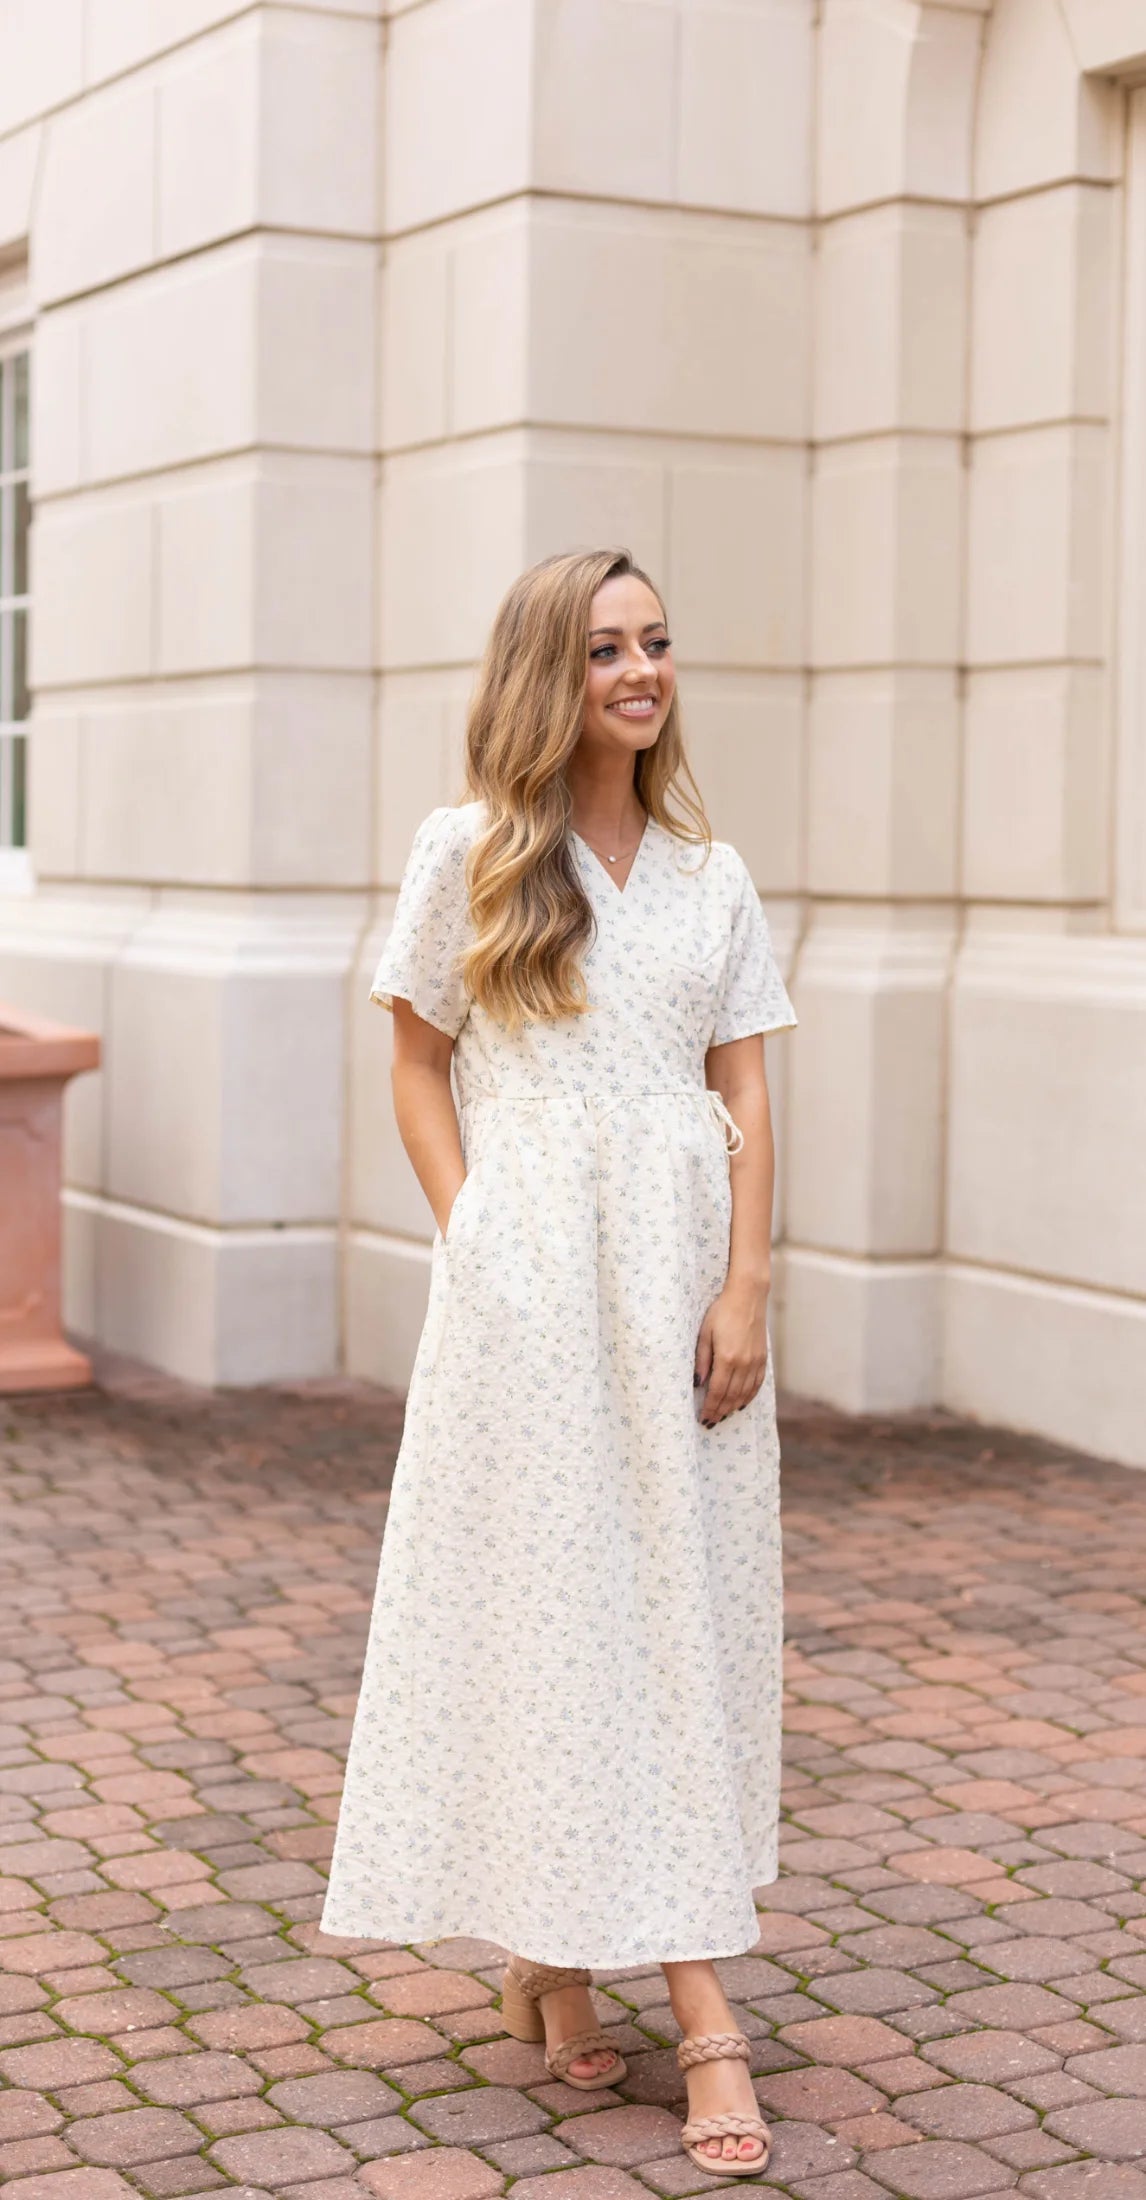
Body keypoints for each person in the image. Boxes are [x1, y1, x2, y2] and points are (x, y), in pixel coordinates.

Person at [322, 548, 798, 2175]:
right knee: (560, 1614)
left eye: (657, 641)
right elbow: (413, 1064)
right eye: (605, 648)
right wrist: (474, 1243)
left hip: (675, 1283)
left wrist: (744, 1285)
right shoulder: (466, 851)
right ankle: (701, 2014)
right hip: (524, 1288)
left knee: (671, 1619)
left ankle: (551, 1957)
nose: (641, 670)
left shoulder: (710, 873)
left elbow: (745, 1093)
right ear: (550, 671)